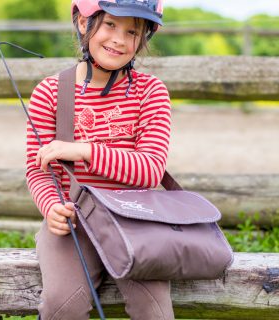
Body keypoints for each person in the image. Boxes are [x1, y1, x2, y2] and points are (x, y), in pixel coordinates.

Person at [26, 0, 174, 319]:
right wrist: (52, 207)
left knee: (154, 310)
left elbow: (149, 170)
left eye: (132, 30)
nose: (119, 39)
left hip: (137, 222)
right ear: (84, 23)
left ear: (144, 36)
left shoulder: (151, 92)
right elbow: (38, 172)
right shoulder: (49, 93)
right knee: (62, 305)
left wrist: (84, 150)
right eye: (109, 24)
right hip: (73, 223)